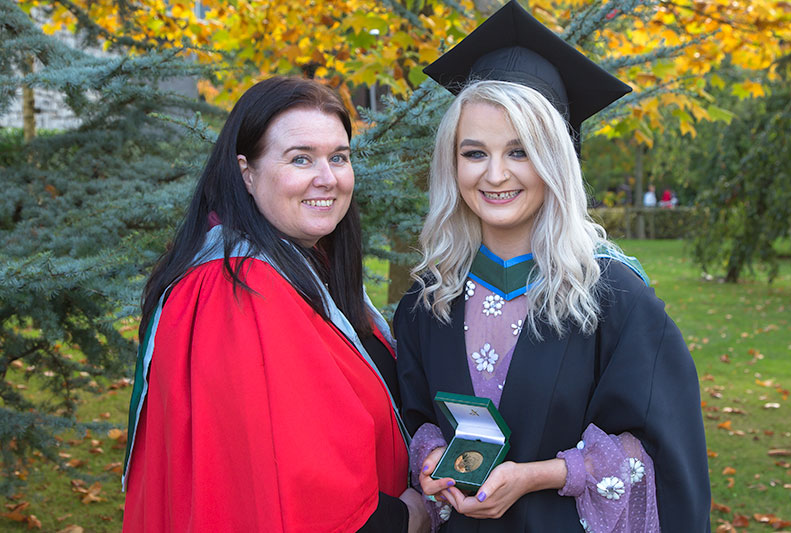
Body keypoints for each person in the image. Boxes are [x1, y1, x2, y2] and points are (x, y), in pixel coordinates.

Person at [393, 2, 711, 531]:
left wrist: (541, 474)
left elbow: (659, 451)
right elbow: (415, 418)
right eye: (474, 153)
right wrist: (430, 460)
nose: (495, 175)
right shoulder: (432, 296)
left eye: (520, 151)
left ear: (555, 160)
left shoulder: (612, 297)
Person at [122, 77, 429, 532]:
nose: (327, 178)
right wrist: (409, 517)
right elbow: (291, 487)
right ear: (247, 172)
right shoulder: (233, 290)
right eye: (300, 158)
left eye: (338, 158)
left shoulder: (303, 265)